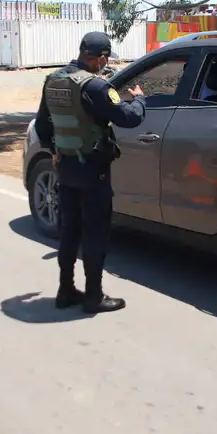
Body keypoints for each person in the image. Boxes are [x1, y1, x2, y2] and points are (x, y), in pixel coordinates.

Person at [33, 31, 146, 314]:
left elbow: (42, 126)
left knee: (69, 230)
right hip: (93, 171)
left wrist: (55, 152)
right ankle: (94, 296)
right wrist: (139, 99)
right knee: (95, 233)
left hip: (67, 168)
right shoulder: (94, 87)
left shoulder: (54, 80)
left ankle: (65, 290)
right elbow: (129, 118)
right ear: (102, 57)